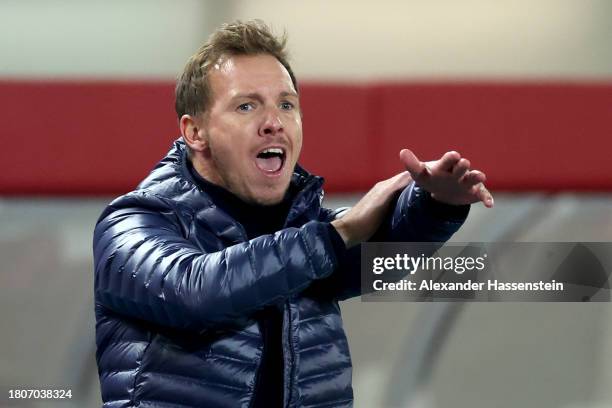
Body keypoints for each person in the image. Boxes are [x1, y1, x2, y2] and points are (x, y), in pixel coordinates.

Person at [93, 20, 493, 408]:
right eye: (246, 106)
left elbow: (377, 256)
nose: (273, 123)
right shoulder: (132, 222)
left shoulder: (305, 231)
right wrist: (337, 233)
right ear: (195, 132)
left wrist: (434, 205)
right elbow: (194, 292)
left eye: (286, 104)